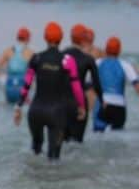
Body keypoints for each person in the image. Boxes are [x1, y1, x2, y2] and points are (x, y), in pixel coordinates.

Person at [12, 22, 87, 160]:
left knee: (35, 152)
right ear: (61, 39)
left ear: (45, 38)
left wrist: (18, 106)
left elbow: (26, 84)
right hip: (56, 113)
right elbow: (76, 87)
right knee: (53, 159)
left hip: (35, 112)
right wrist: (81, 106)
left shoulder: (36, 58)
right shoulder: (67, 60)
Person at [94, 37, 139, 131]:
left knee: (98, 135)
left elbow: (88, 82)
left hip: (103, 104)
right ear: (119, 51)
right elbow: (136, 83)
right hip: (119, 106)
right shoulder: (125, 65)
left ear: (106, 49)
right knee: (117, 137)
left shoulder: (98, 63)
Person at [64, 23, 102, 143]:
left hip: (63, 100)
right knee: (78, 141)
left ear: (71, 38)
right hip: (80, 100)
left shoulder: (62, 55)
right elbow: (97, 83)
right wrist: (102, 99)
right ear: (84, 40)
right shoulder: (88, 58)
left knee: (64, 140)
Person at [0, 27, 33, 104]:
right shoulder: (29, 53)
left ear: (17, 38)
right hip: (21, 87)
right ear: (28, 39)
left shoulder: (8, 51)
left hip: (9, 86)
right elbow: (34, 73)